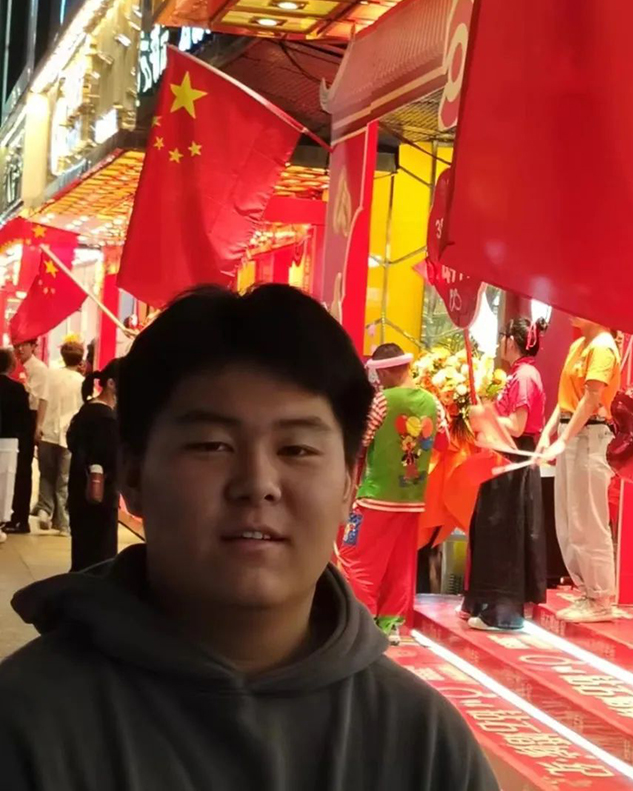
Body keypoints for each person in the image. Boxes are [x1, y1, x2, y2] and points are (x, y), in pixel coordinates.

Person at [0, 285, 497, 791]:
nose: (258, 483)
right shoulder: (24, 728)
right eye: (212, 445)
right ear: (132, 475)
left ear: (350, 483)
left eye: (297, 449)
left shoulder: (425, 747)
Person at [339, 343, 448, 643]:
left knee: (356, 558)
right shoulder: (434, 403)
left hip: (375, 496)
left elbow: (360, 442)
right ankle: (391, 624)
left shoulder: (382, 401)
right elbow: (444, 442)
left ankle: (362, 621)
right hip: (412, 499)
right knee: (400, 563)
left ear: (385, 372)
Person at [463, 317, 550, 632]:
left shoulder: (524, 376)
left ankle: (502, 614)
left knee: (504, 533)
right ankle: (488, 605)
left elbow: (517, 425)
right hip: (503, 456)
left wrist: (485, 416)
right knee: (492, 530)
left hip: (513, 460)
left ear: (511, 342)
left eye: (503, 337)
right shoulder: (519, 373)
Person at [536, 317, 622, 624]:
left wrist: (563, 439)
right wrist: (549, 433)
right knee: (570, 519)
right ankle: (588, 592)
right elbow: (566, 400)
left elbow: (591, 399)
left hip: (590, 436)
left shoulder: (602, 347)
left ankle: (600, 597)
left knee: (589, 520)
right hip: (573, 432)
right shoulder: (579, 345)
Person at [67, 359, 121, 572]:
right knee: (100, 556)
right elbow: (110, 456)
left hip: (80, 490)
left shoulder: (87, 410)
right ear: (111, 384)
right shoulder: (105, 418)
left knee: (82, 551)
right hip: (100, 496)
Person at [33, 337, 85, 535]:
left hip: (48, 432)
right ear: (80, 359)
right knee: (64, 480)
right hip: (68, 437)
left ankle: (44, 510)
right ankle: (62, 522)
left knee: (46, 474)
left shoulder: (51, 375)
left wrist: (38, 426)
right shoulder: (81, 382)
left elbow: (43, 401)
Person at [2, 339, 49, 534]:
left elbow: (41, 400)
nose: (19, 349)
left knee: (21, 471)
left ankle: (20, 518)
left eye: (24, 345)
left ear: (33, 346)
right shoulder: (15, 369)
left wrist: (38, 426)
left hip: (26, 421)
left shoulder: (39, 369)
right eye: (16, 346)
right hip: (13, 421)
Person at [0, 349, 33, 543]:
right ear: (11, 366)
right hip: (10, 441)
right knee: (6, 481)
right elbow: (24, 420)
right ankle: (3, 520)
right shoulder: (17, 389)